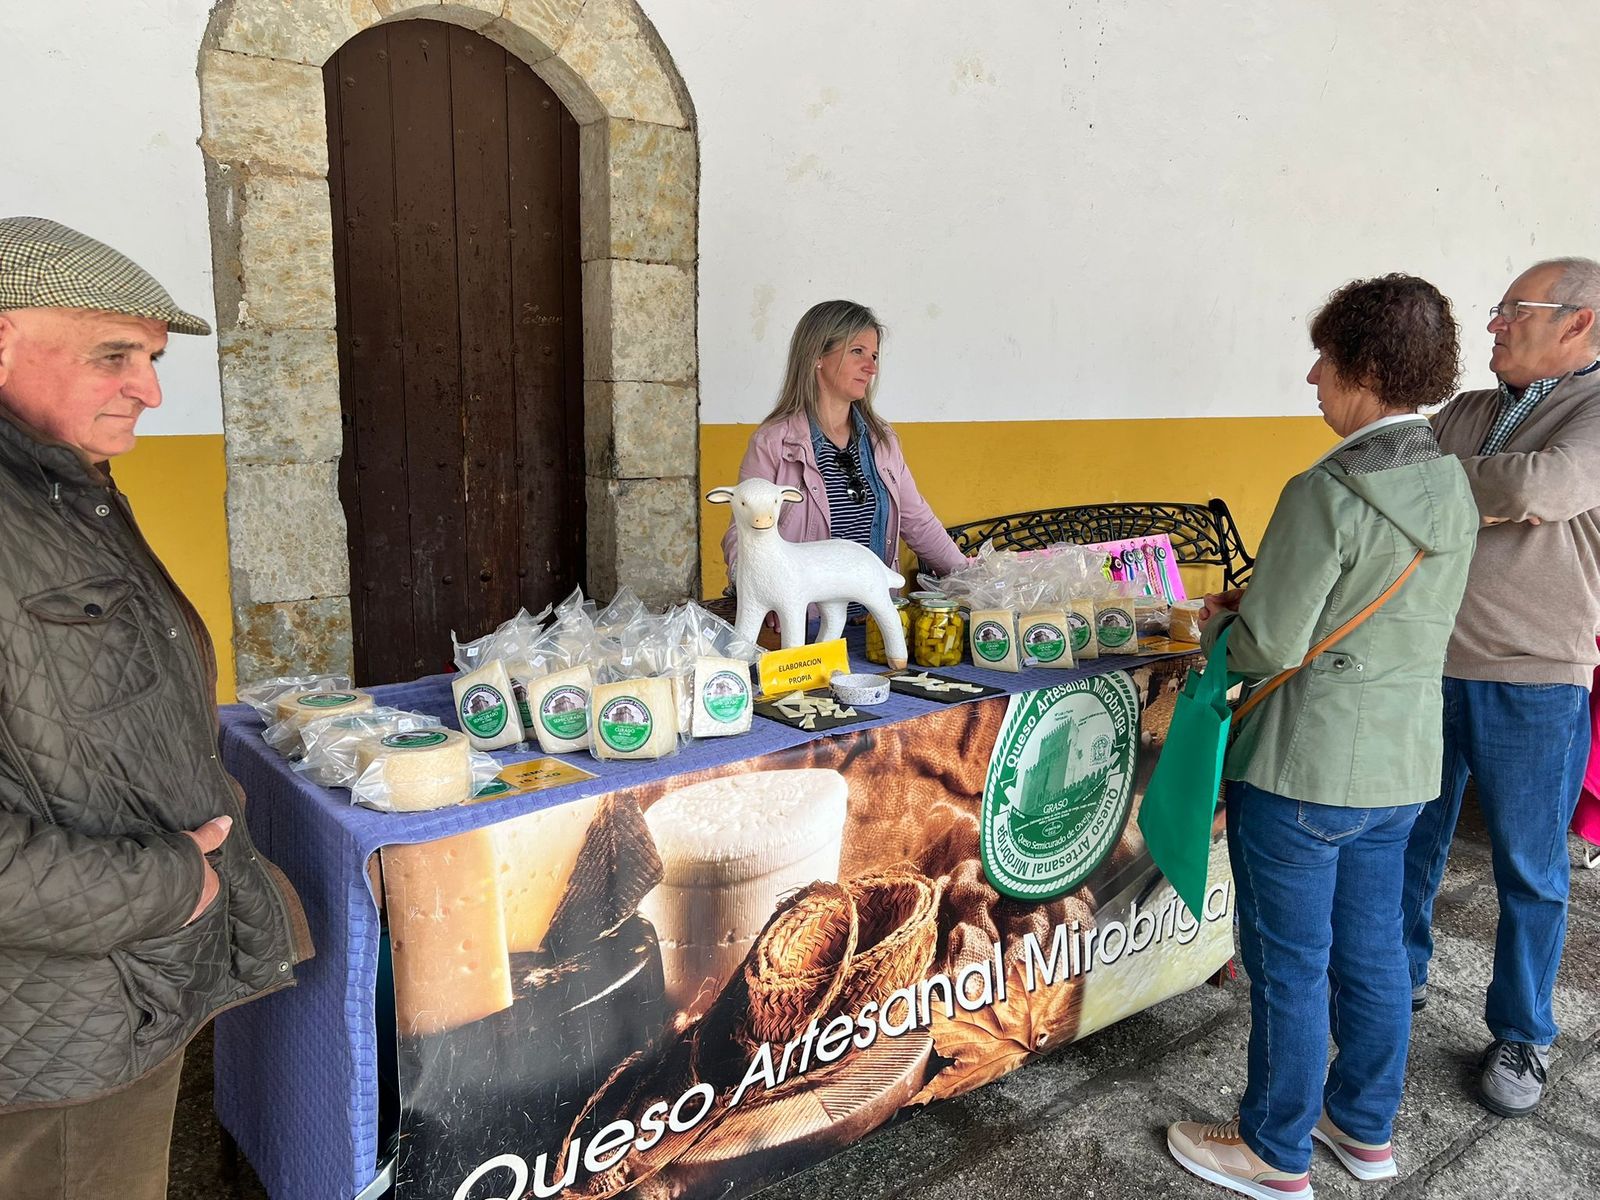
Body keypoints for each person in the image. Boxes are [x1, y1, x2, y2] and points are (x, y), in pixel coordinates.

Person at [0, 217, 311, 1200]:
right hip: (51, 1024)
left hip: (109, 989)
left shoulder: (59, 488)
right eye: (113, 356)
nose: (150, 389)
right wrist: (178, 887)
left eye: (151, 357)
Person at [1166, 275, 1477, 1200]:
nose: (1312, 378)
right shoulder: (1453, 481)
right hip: (1403, 759)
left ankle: (1272, 1150)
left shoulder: (1326, 490)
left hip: (1304, 767)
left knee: (1290, 964)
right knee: (1375, 949)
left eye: (1327, 363)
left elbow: (1271, 644)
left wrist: (1228, 622)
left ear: (1369, 370)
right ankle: (1363, 1126)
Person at [1401, 256, 1600, 1117]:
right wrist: (1464, 491)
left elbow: (1541, 486)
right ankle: (1394, 979)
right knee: (1409, 837)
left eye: (1511, 311)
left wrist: (1442, 488)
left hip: (1533, 675)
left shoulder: (1593, 410)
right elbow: (1391, 476)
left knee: (1530, 868)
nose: (1492, 327)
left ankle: (1522, 1031)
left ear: (1577, 322)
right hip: (1426, 662)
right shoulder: (1472, 410)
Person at [720, 301, 967, 612]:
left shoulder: (882, 441)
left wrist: (972, 579)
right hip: (804, 625)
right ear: (817, 356)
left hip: (875, 625)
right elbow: (741, 533)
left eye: (875, 356)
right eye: (858, 352)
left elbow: (919, 523)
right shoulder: (773, 442)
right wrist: (759, 593)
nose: (872, 367)